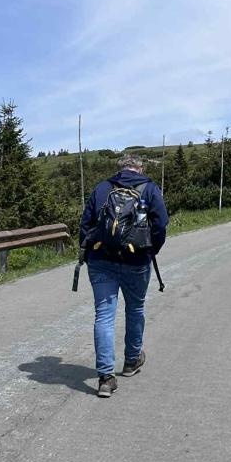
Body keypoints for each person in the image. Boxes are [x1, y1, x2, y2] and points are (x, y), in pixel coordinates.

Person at [79, 153, 168, 398]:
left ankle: (106, 378)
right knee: (135, 309)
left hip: (101, 261)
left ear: (120, 169)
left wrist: (88, 255)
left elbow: (86, 224)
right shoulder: (149, 189)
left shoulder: (102, 188)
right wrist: (150, 251)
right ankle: (131, 361)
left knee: (104, 316)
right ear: (139, 168)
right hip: (136, 261)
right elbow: (161, 225)